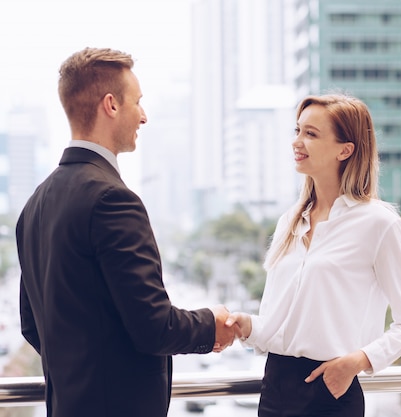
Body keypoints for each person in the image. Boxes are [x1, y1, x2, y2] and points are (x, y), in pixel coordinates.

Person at [15, 47, 236, 417]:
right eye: (138, 102)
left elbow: (31, 326)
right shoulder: (113, 200)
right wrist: (211, 324)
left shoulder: (35, 205)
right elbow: (154, 326)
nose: (144, 116)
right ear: (111, 105)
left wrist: (82, 372)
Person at [226, 93, 401, 417]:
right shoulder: (289, 221)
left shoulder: (380, 224)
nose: (297, 142)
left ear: (345, 150)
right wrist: (247, 325)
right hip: (275, 388)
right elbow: (278, 326)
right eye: (297, 130)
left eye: (311, 134)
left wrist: (357, 361)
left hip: (329, 393)